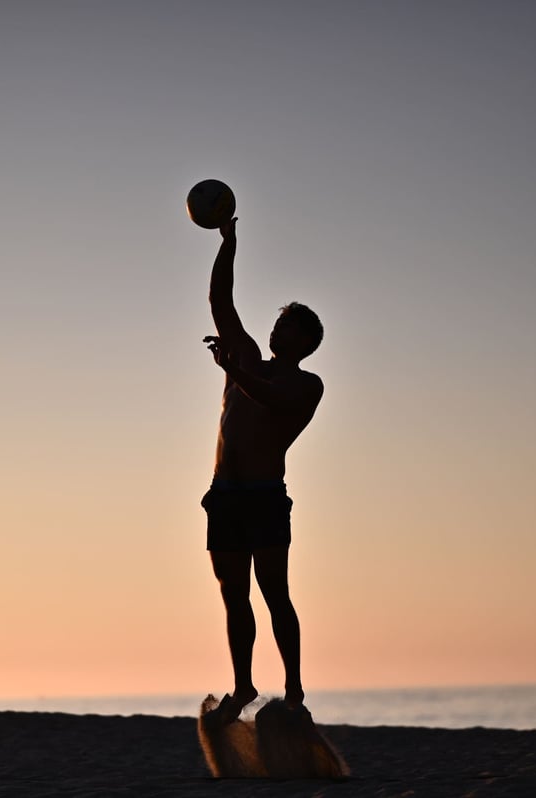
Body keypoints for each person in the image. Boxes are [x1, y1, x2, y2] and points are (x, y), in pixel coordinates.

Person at [201, 216, 324, 721]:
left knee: (275, 593)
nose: (276, 330)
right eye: (276, 323)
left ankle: (294, 692)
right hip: (224, 495)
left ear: (305, 343)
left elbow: (271, 396)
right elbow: (220, 303)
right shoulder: (247, 358)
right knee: (234, 596)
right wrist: (228, 245)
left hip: (265, 496)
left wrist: (234, 370)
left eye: (287, 328)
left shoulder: (306, 385)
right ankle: (243, 687)